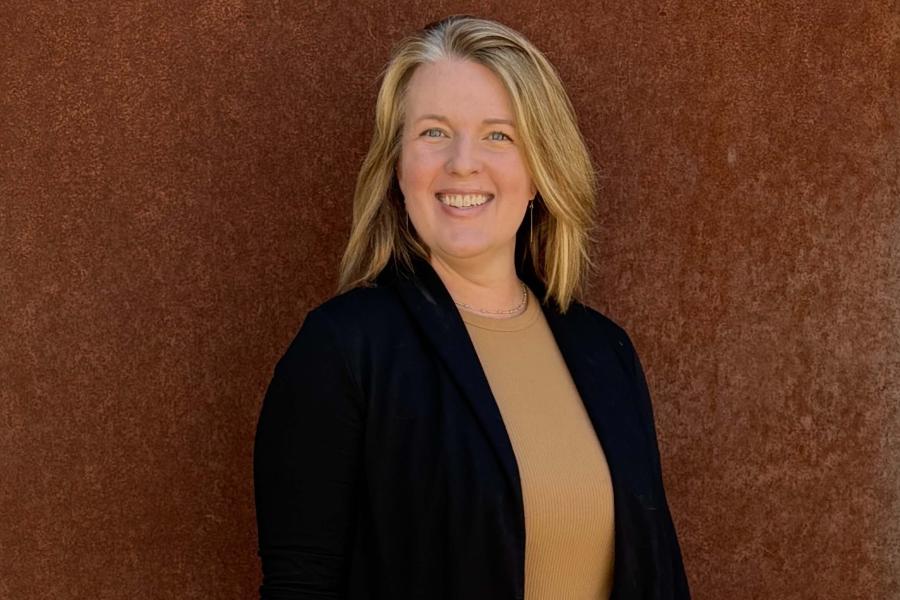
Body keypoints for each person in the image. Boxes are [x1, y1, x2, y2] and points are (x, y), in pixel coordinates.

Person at [253, 14, 690, 600]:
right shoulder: (344, 350)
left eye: (498, 135)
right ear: (397, 168)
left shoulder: (604, 352)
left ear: (538, 174)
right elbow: (300, 587)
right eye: (434, 132)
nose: (463, 162)